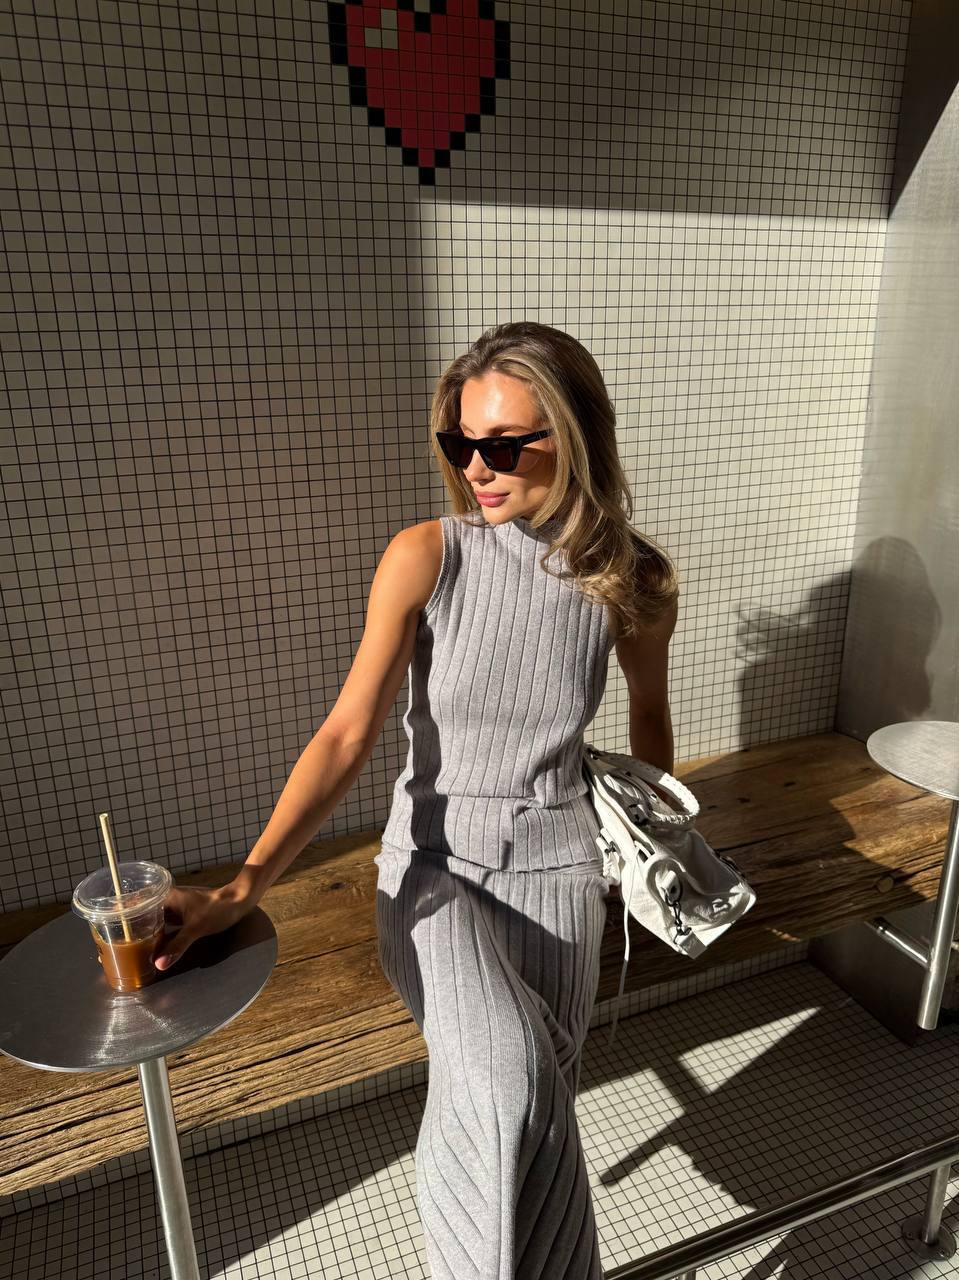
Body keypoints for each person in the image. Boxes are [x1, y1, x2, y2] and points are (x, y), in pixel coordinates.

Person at [152, 321, 680, 1279]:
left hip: (563, 876)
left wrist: (653, 849)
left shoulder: (631, 578)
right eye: (459, 442)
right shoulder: (427, 554)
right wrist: (243, 886)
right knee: (507, 1082)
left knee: (540, 1103)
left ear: (575, 436)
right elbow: (346, 734)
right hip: (435, 872)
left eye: (504, 444)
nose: (476, 468)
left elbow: (650, 716)